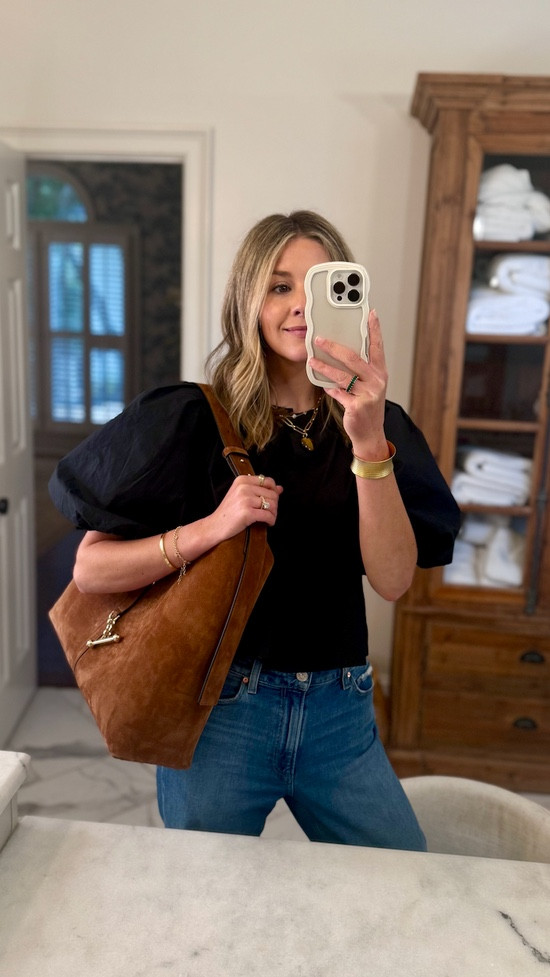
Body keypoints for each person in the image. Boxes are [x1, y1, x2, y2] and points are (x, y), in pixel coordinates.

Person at [49, 209, 460, 850]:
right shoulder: (191, 420)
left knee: (401, 880)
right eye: (278, 286)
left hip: (340, 713)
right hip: (224, 713)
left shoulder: (384, 427)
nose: (300, 306)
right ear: (249, 302)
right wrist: (215, 525)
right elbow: (90, 570)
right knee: (208, 913)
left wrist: (369, 441)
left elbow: (393, 581)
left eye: (318, 284)